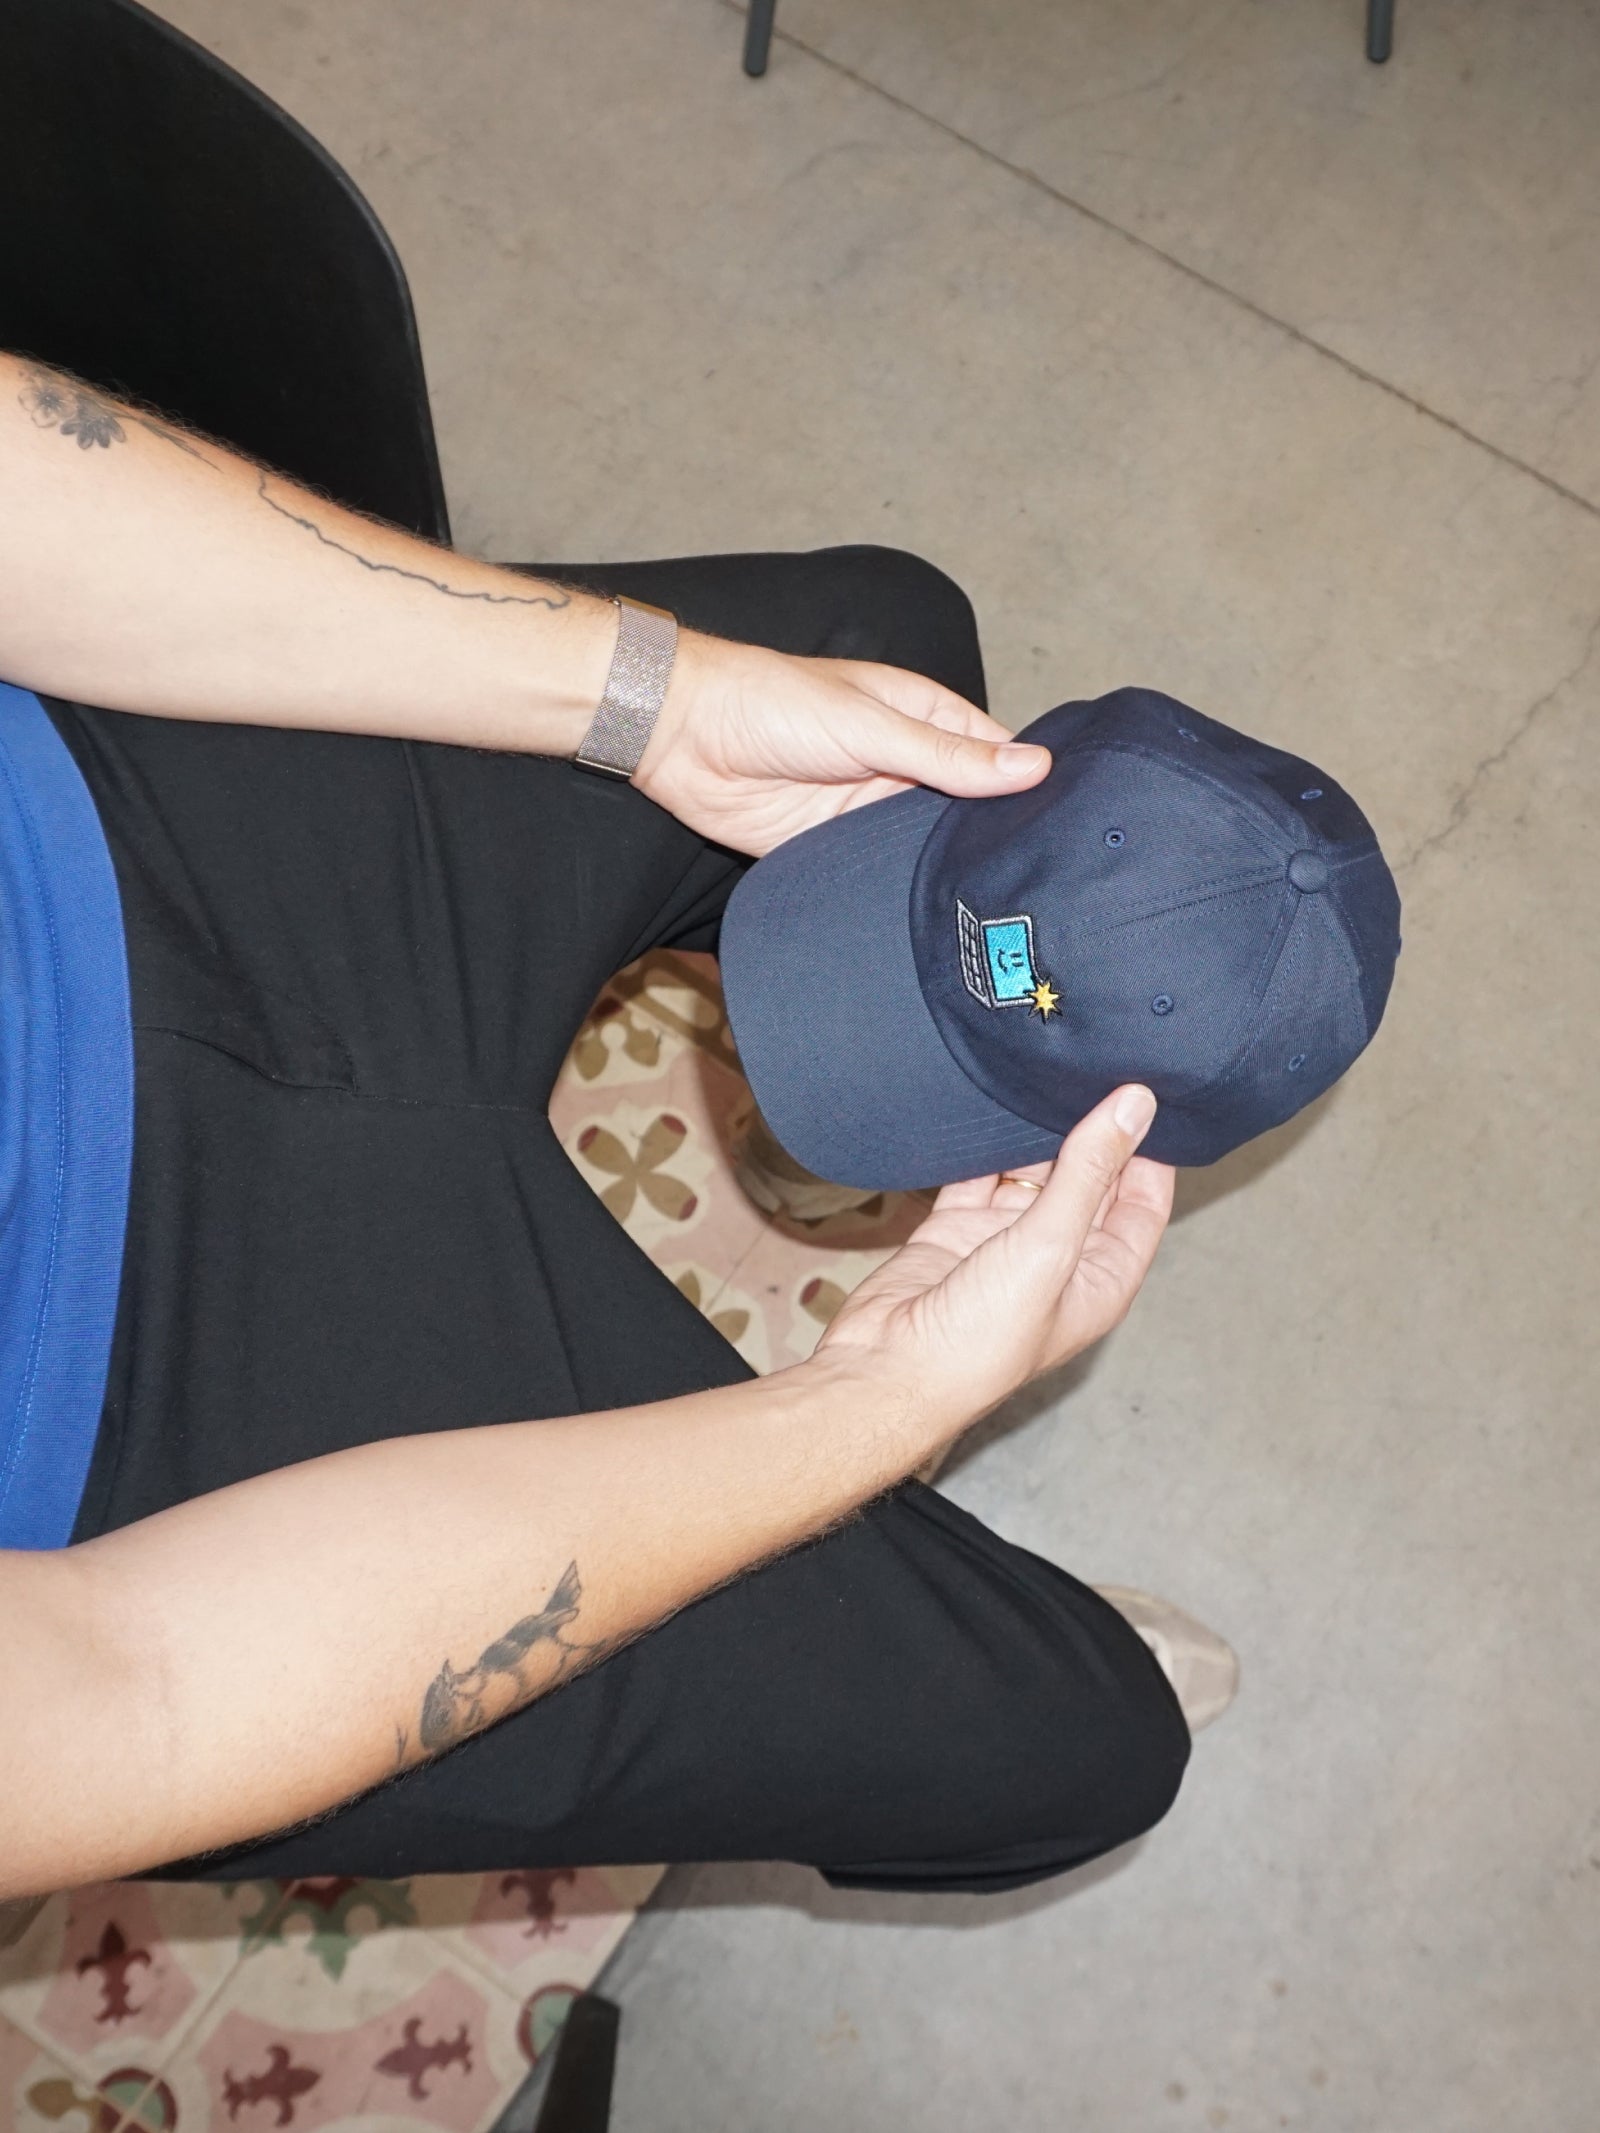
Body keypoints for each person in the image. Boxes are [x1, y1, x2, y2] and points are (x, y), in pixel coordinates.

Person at [0, 352, 1220, 1908]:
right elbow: (139, 1687)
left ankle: (827, 1093)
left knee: (888, 648)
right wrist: (867, 1405)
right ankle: (835, 1141)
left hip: (80, 818)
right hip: (113, 1432)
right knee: (1083, 1741)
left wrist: (660, 698)